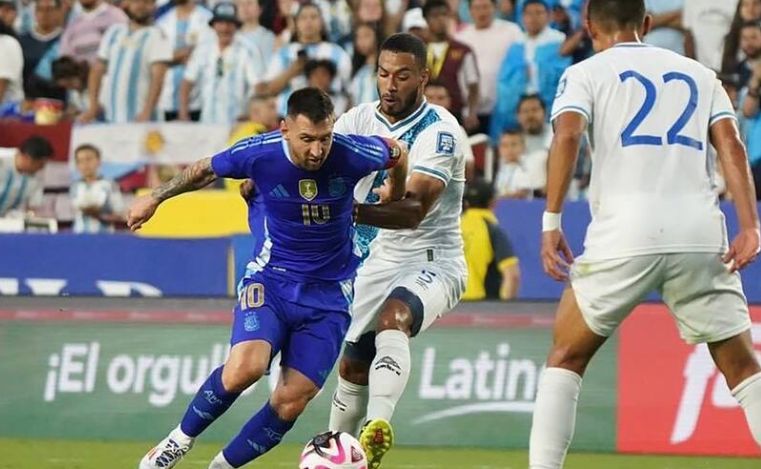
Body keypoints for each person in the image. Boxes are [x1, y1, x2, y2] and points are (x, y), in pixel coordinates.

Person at [529, 1, 761, 468]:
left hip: (626, 231)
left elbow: (567, 136)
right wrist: (750, 225)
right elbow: (732, 146)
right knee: (743, 369)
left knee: (566, 356)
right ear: (648, 24)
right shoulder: (701, 74)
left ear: (588, 25)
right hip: (700, 233)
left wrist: (551, 221)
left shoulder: (584, 74)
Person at [130, 87, 409, 469]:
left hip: (330, 295)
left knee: (292, 400)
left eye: (325, 138)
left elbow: (397, 151)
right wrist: (155, 198)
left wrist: (397, 189)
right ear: (285, 129)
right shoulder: (259, 152)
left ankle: (221, 467)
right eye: (307, 139)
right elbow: (204, 169)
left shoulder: (352, 152)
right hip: (273, 280)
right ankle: (177, 442)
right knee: (244, 369)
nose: (317, 150)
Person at [327, 33, 467, 469]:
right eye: (384, 74)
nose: (390, 85)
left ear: (424, 77)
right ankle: (338, 453)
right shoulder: (358, 119)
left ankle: (376, 427)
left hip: (433, 259)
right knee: (353, 365)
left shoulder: (440, 132)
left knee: (395, 318)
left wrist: (347, 211)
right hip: (375, 261)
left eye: (402, 76)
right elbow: (317, 161)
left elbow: (413, 212)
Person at [80, 0, 172, 123]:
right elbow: (97, 69)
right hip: (112, 117)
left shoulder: (158, 36)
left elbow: (158, 78)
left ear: (154, 6)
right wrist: (93, 106)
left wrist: (147, 112)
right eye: (136, 2)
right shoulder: (114, 32)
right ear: (127, 4)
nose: (141, 6)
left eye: (147, 2)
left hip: (141, 119)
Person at [179, 2, 263, 124]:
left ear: (236, 26)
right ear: (213, 25)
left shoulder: (247, 50)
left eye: (229, 23)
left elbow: (258, 86)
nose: (224, 28)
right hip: (207, 121)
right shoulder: (203, 49)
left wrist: (250, 114)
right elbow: (187, 82)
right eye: (220, 23)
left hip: (237, 122)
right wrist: (183, 113)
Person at [423, 0, 480, 131]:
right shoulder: (418, 50)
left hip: (455, 113)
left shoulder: (463, 50)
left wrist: (471, 112)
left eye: (444, 15)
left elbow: (473, 85)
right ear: (426, 19)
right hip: (424, 113)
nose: (440, 19)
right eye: (435, 16)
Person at [461, 178, 520, 300]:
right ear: (493, 202)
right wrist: (504, 308)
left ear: (466, 203)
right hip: (482, 304)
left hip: (452, 304)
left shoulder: (452, 228)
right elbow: (512, 275)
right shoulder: (492, 231)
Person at [70, 143, 124, 233]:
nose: (85, 164)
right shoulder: (75, 186)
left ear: (99, 161)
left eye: (89, 159)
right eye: (80, 161)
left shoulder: (109, 185)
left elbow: (120, 214)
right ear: (77, 165)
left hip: (103, 235)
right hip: (79, 235)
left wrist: (100, 216)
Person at [0, 136, 52, 217]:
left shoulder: (37, 178)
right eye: (41, 164)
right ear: (27, 158)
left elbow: (33, 208)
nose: (42, 168)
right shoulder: (2, 158)